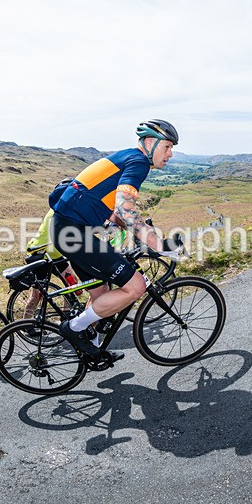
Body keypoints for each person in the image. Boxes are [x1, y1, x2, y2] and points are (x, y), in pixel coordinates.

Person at [50, 119, 179, 358]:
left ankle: (91, 346)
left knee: (101, 292)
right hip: (75, 233)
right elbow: (126, 209)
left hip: (68, 230)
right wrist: (158, 244)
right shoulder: (139, 161)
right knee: (136, 286)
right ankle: (74, 328)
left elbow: (114, 213)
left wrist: (140, 234)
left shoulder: (126, 157)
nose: (171, 154)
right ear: (150, 142)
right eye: (168, 146)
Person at [18, 209, 81, 320]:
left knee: (71, 281)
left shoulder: (67, 209)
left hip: (54, 253)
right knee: (37, 294)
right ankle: (26, 323)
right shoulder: (58, 210)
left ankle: (66, 314)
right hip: (39, 252)